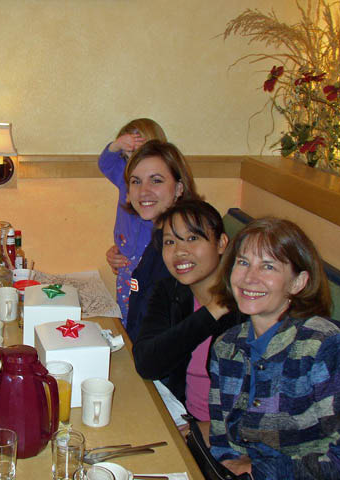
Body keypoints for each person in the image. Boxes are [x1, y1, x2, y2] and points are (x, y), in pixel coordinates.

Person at [209, 218, 340, 479]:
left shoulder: (330, 346)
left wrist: (260, 471)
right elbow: (222, 445)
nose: (249, 277)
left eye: (268, 266)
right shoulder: (226, 347)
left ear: (298, 282)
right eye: (243, 262)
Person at [133, 200, 244, 425]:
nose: (179, 251)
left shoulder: (245, 305)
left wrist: (207, 432)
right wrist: (211, 311)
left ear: (221, 243)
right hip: (184, 419)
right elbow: (147, 363)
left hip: (224, 434)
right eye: (170, 242)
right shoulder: (168, 291)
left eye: (192, 238)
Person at [122, 140, 200, 342]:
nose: (143, 191)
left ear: (179, 188)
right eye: (136, 182)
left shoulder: (182, 246)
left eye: (156, 181)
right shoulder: (160, 236)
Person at [98, 118, 167, 326]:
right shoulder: (125, 177)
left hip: (149, 261)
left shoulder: (163, 195)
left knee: (144, 313)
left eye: (138, 156)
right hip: (126, 260)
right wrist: (115, 146)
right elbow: (106, 163)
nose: (131, 166)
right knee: (126, 308)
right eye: (126, 157)